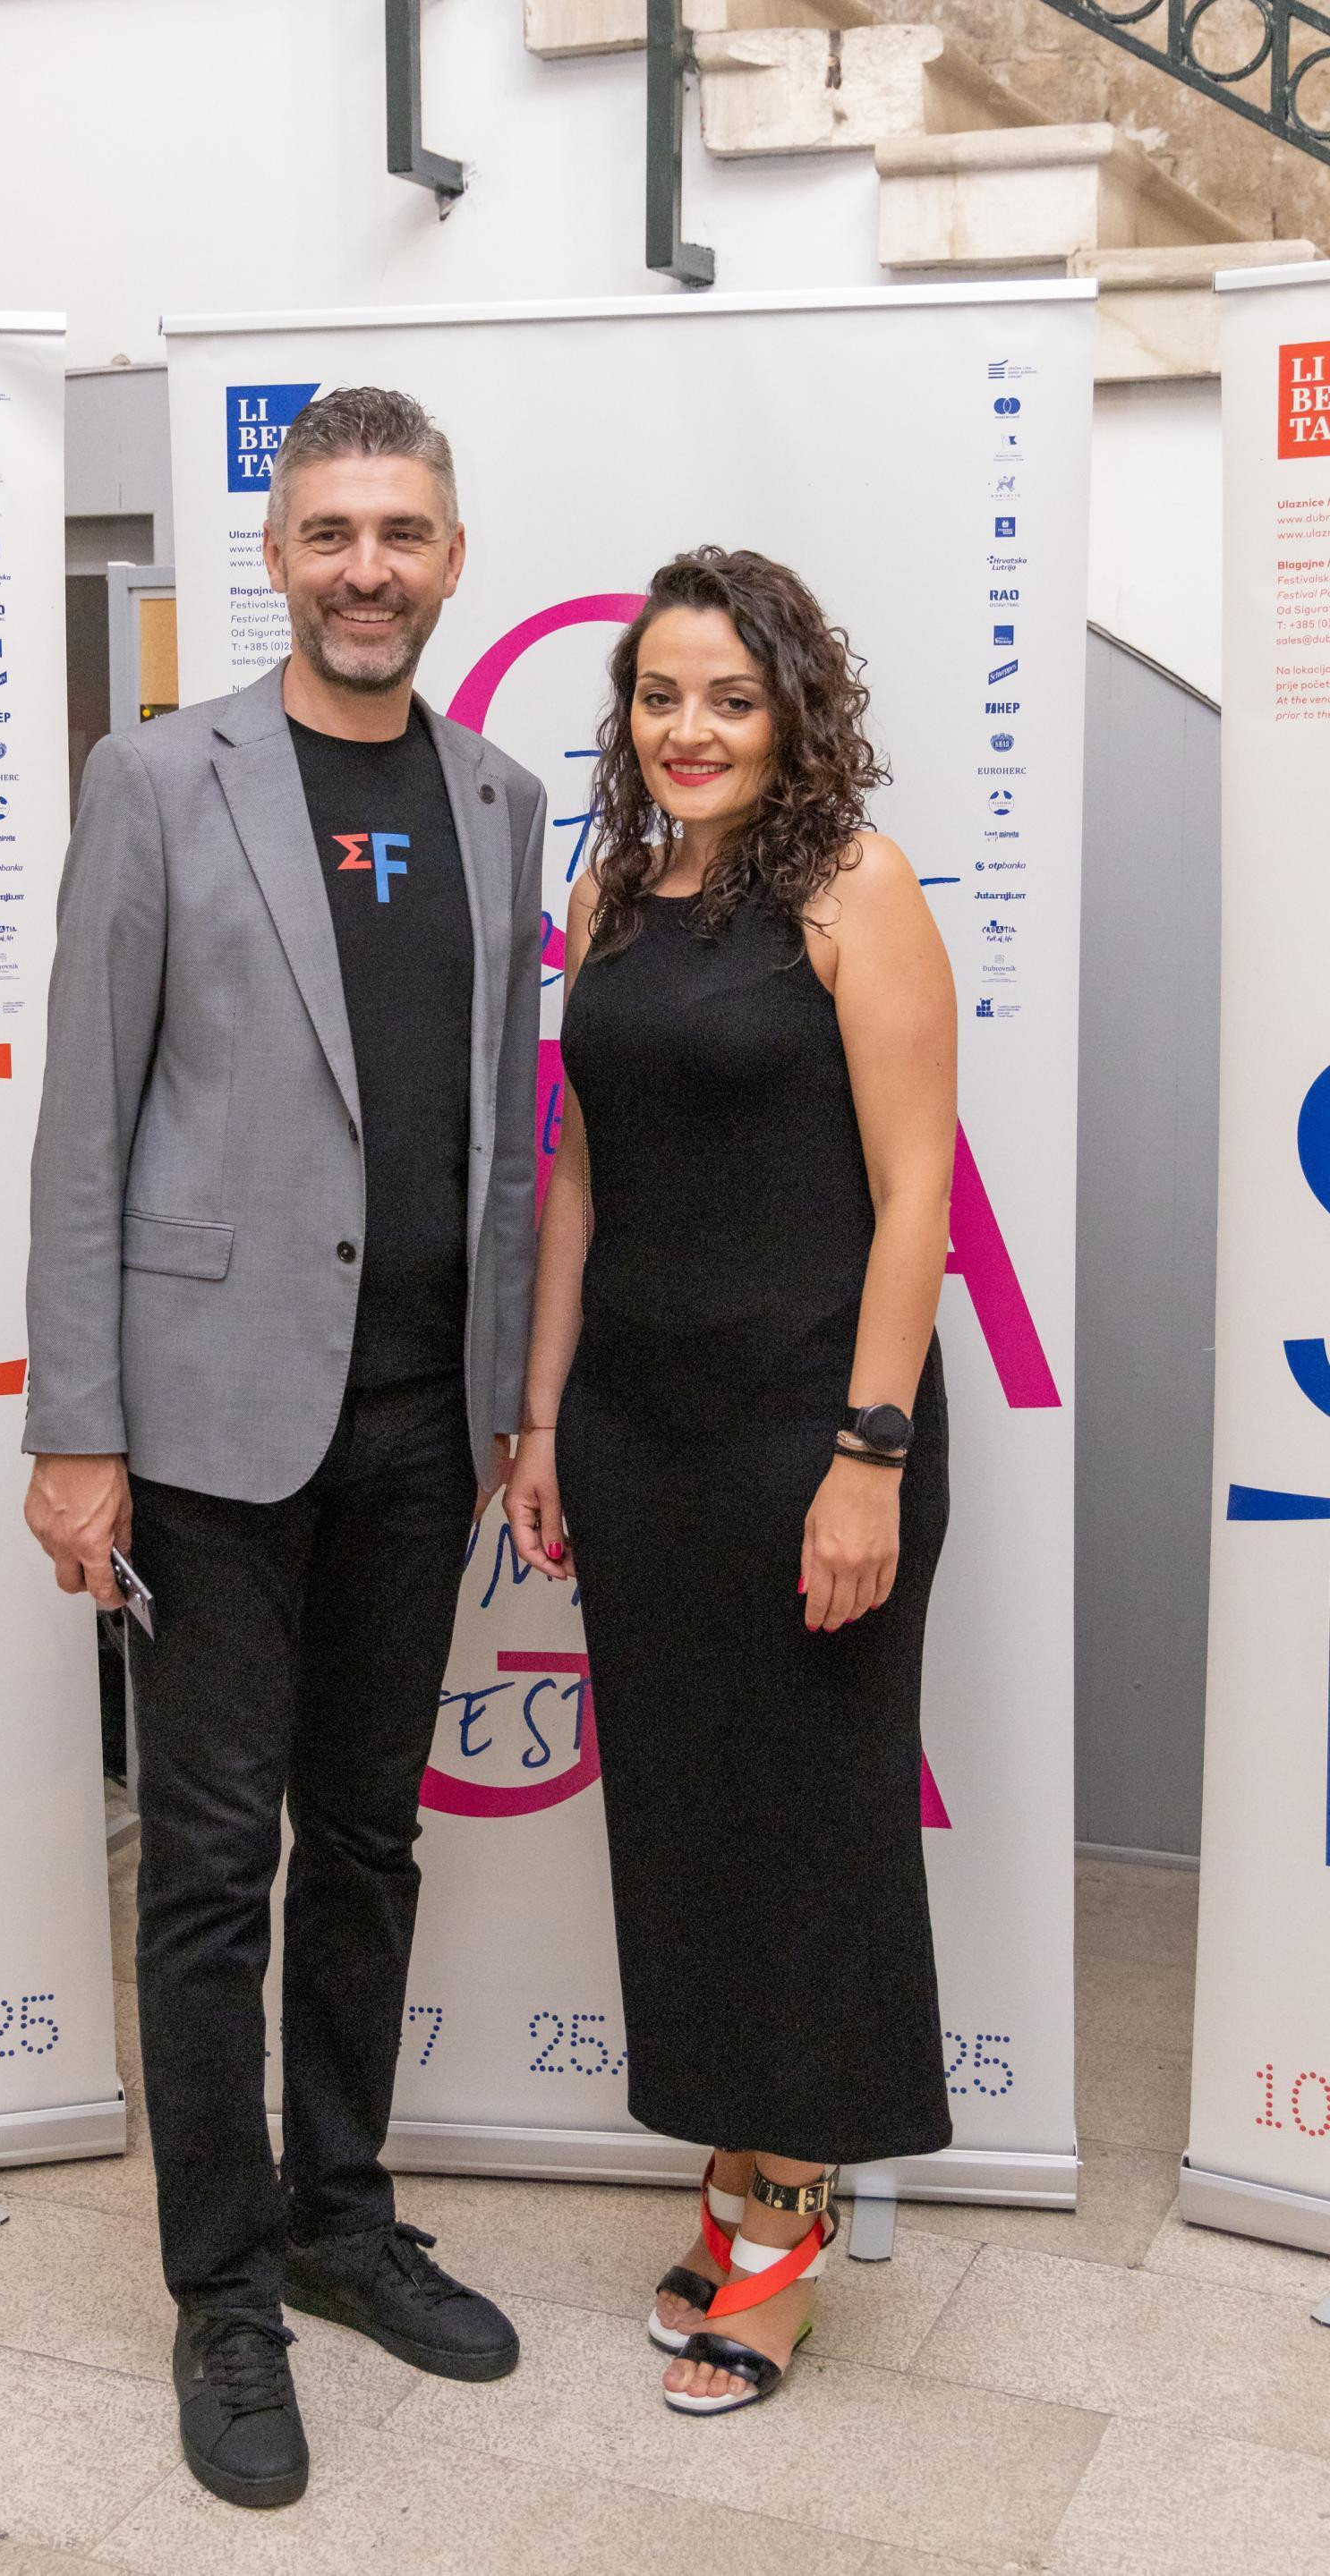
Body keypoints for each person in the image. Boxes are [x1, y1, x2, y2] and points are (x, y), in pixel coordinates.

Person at [22, 387, 544, 2510]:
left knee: (375, 1841)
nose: (365, 567)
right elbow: (85, 1118)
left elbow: (501, 1128)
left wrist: (509, 1401)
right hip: (210, 1424)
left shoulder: (502, 797)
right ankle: (224, 2292)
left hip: (424, 1419)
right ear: (276, 554)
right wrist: (78, 1430)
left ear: (452, 557)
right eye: (330, 531)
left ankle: (342, 2217)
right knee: (212, 1866)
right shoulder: (160, 779)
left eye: (401, 531)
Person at [507, 546, 957, 2419]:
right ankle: (736, 2163)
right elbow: (582, 1179)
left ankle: (789, 2212)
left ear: (792, 712)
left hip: (811, 1433)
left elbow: (917, 1196)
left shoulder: (856, 886)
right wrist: (544, 1419)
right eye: (660, 696)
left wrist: (870, 1457)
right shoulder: (611, 895)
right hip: (640, 1434)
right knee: (688, 1820)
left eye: (731, 698)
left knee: (811, 1822)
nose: (688, 730)